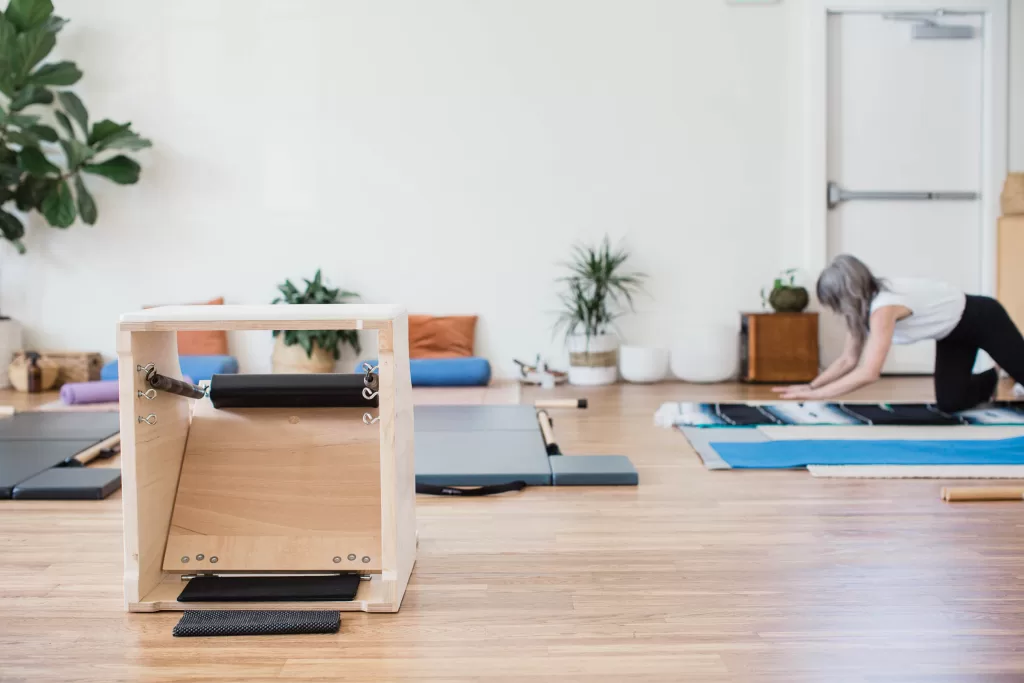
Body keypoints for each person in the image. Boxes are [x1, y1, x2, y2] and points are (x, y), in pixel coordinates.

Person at [773, 254, 1024, 412]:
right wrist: (811, 386)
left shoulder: (884, 307)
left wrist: (818, 396)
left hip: (983, 317)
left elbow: (869, 372)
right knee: (950, 403)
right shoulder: (861, 311)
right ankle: (995, 375)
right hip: (951, 334)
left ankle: (1012, 372)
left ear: (845, 295)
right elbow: (848, 360)